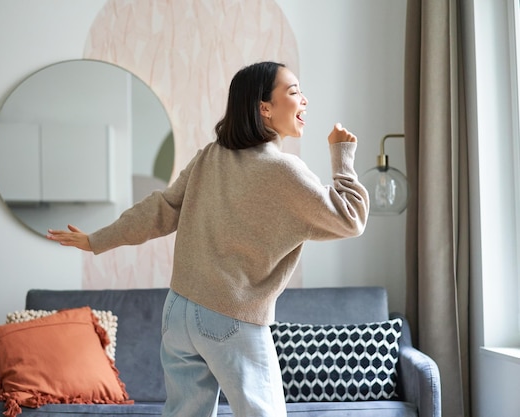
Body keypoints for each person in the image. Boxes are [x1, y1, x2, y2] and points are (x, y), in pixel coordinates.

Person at [47, 61, 369, 417]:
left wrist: (98, 240)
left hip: (178, 311)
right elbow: (350, 218)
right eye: (293, 92)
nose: (304, 100)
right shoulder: (284, 171)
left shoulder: (211, 157)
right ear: (264, 108)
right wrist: (343, 156)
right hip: (231, 315)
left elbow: (161, 209)